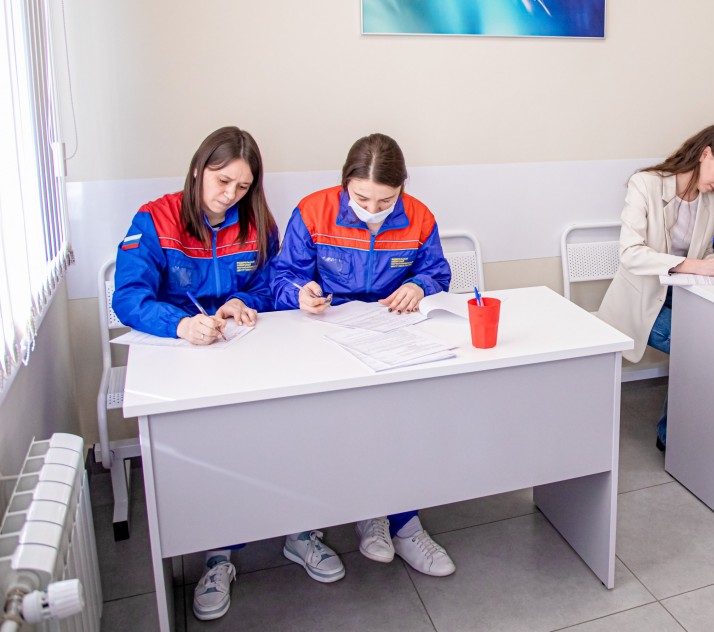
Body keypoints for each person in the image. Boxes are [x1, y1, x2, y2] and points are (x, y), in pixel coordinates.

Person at [112, 127, 343, 623]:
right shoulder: (155, 220)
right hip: (184, 354)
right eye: (222, 181)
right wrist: (180, 324)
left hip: (248, 349)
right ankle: (218, 554)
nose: (230, 195)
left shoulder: (257, 222)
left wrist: (242, 300)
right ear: (198, 169)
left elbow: (270, 283)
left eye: (242, 186)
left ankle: (298, 529)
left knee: (290, 426)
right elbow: (128, 298)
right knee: (215, 447)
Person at [271, 133, 456, 577]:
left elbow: (437, 272)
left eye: (385, 201)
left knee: (402, 421)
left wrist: (419, 286)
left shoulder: (419, 217)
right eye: (361, 199)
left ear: (402, 188)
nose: (373, 209)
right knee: (335, 428)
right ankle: (363, 512)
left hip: (393, 337)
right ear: (345, 184)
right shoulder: (312, 211)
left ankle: (402, 521)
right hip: (326, 338)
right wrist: (300, 293)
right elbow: (281, 276)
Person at [596, 124, 714, 451]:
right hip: (640, 301)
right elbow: (630, 254)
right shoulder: (646, 184)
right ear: (705, 154)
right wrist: (696, 265)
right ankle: (674, 437)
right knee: (699, 348)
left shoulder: (713, 197)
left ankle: (698, 432)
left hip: (683, 294)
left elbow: (702, 251)